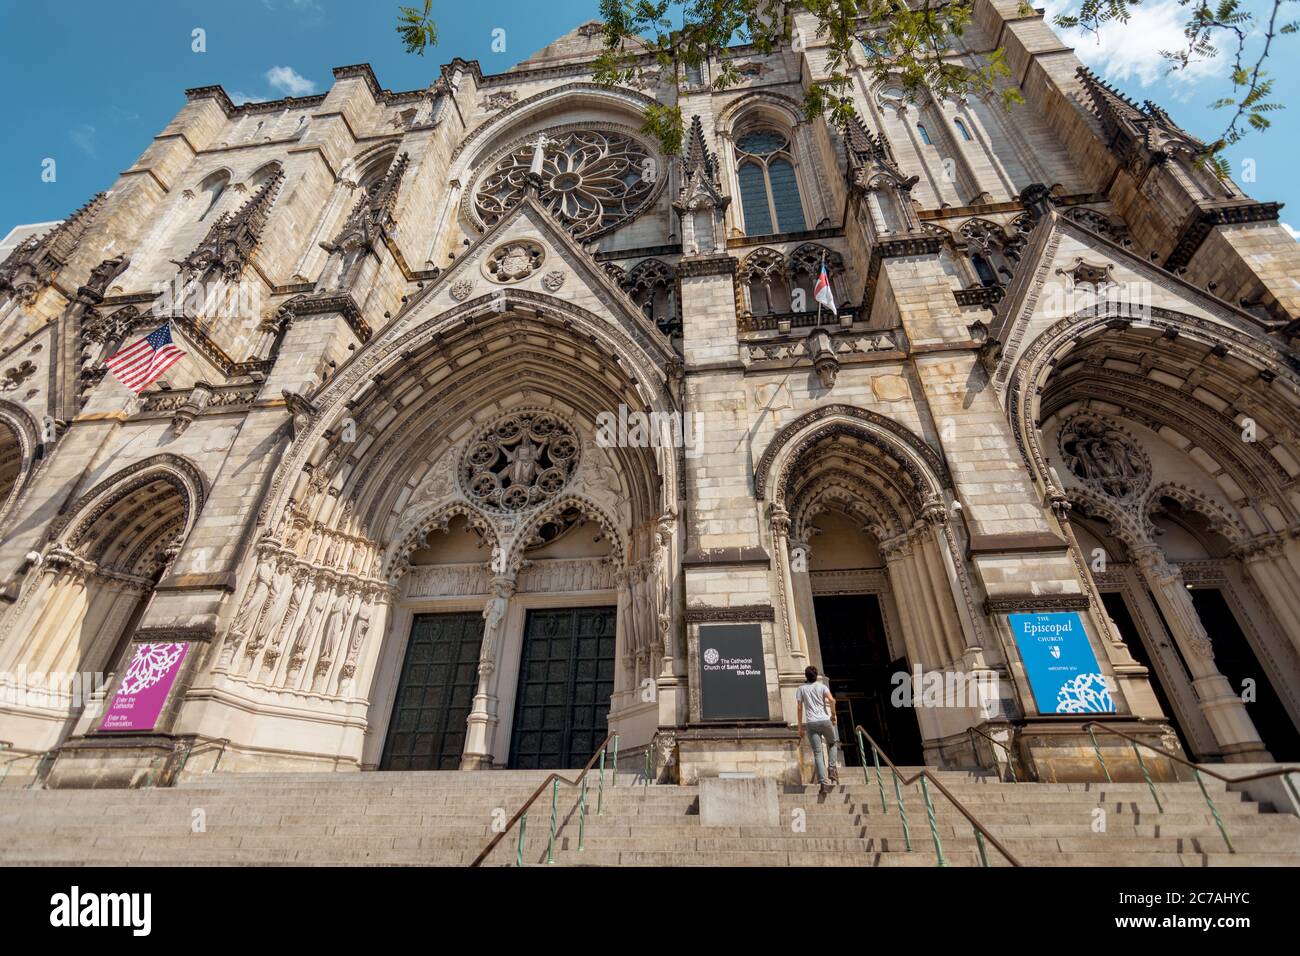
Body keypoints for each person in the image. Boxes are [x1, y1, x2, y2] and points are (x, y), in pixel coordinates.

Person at [796, 665, 838, 794]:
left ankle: (823, 784)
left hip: (811, 723)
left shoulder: (801, 689)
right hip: (825, 720)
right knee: (833, 743)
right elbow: (831, 700)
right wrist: (833, 714)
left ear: (806, 676)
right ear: (816, 675)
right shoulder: (822, 687)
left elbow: (799, 708)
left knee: (818, 753)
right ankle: (831, 768)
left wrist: (799, 727)